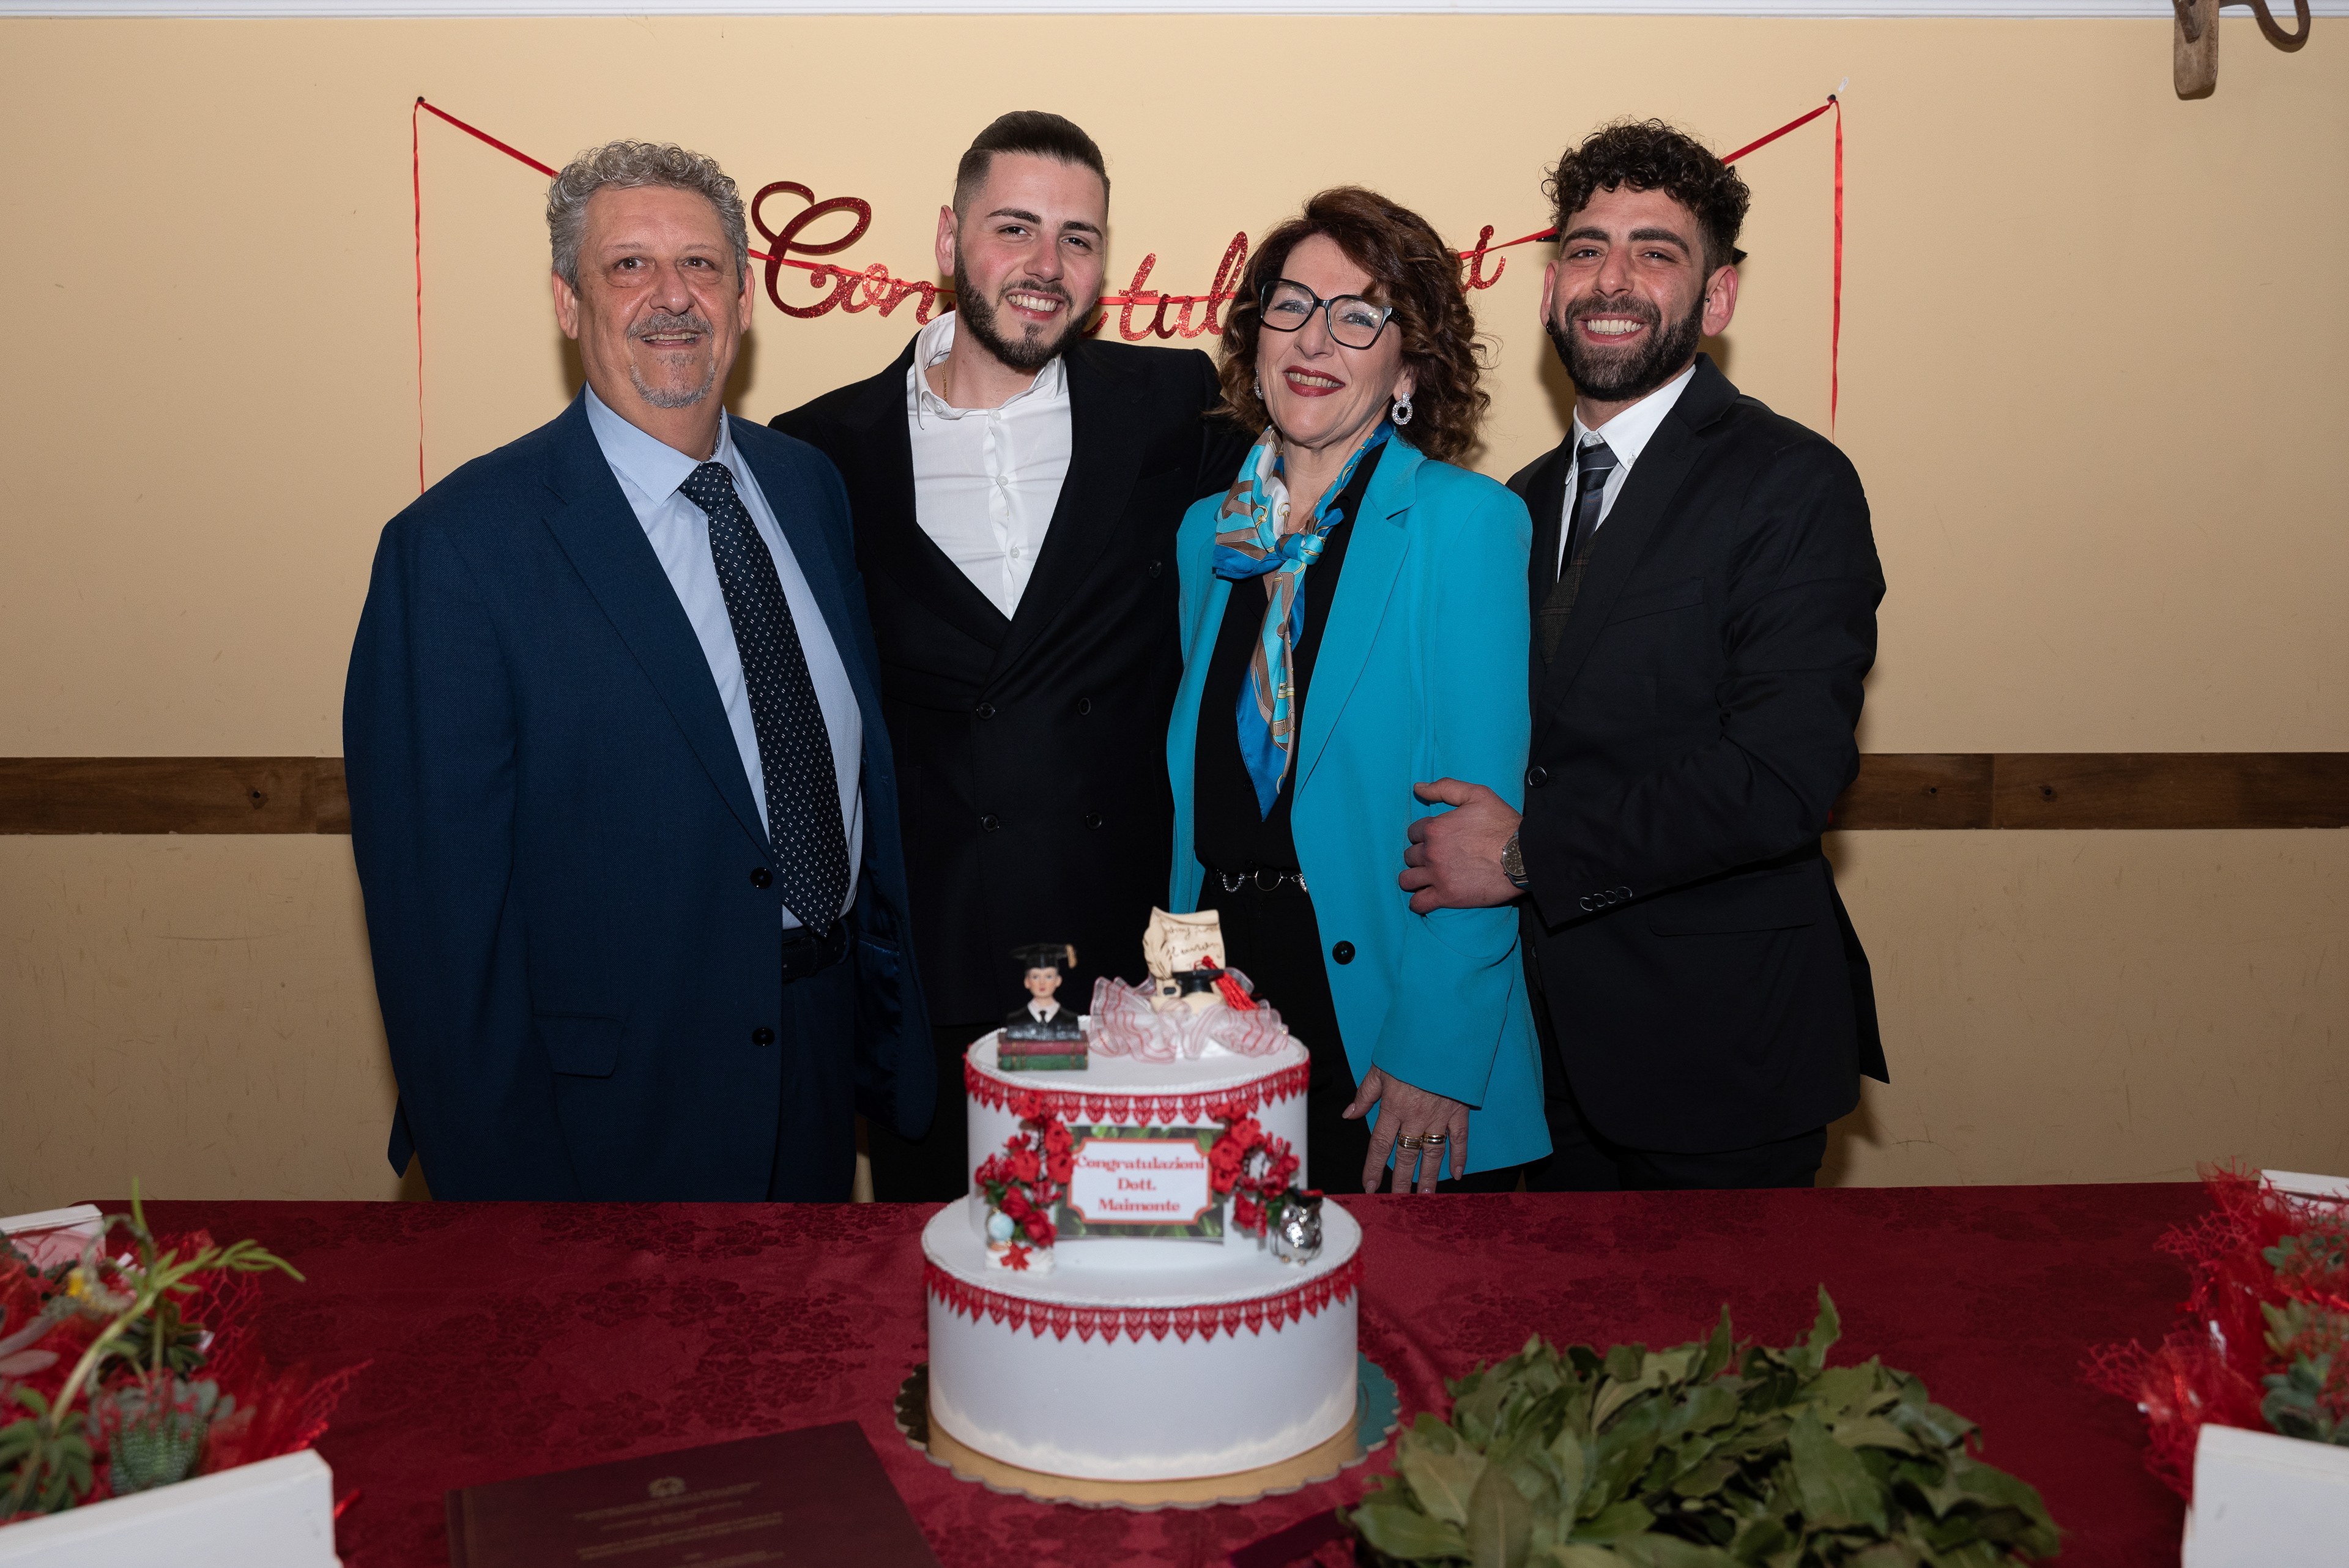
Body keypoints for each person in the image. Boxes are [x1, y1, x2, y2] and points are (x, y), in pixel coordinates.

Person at [345, 141, 930, 1200]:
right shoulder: (459, 549)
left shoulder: (807, 488)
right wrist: (505, 1209)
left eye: (701, 265)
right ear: (568, 303)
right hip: (603, 1123)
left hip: (816, 1065)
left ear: (743, 298)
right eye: (629, 266)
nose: (672, 297)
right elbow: (440, 935)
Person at [1402, 119, 1888, 1191]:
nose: (1611, 280)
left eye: (1655, 252)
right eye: (1586, 249)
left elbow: (1781, 778)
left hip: (1722, 1058)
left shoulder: (1793, 484)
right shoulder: (1514, 507)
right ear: (1548, 290)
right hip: (1532, 1063)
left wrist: (1526, 857)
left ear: (1717, 299)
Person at [773, 112, 1248, 1200]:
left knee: (1137, 1259)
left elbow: (1315, 514)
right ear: (949, 240)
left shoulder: (1172, 406)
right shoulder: (820, 451)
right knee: (948, 1276)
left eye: (1078, 239)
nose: (1046, 266)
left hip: (1135, 963)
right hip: (933, 965)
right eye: (1015, 229)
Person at [1166, 187, 1549, 1196]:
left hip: (1383, 1009)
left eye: (1358, 316)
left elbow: (1478, 827)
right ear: (1255, 335)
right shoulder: (1208, 535)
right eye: (1291, 305)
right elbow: (1204, 804)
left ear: (1409, 367)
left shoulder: (1464, 524)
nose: (1314, 338)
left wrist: (1438, 1051)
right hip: (1216, 1009)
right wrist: (1177, 1000)